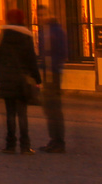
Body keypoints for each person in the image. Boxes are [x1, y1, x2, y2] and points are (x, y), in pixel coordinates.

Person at [0, 8, 41, 155]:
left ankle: (10, 145)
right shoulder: (26, 37)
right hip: (22, 81)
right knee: (22, 114)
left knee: (9, 114)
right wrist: (37, 79)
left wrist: (0, 77)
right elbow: (31, 60)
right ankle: (25, 145)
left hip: (6, 80)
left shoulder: (2, 36)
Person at [38, 9, 68, 153]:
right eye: (39, 15)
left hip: (53, 74)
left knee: (54, 109)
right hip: (47, 73)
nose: (41, 17)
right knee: (49, 109)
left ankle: (59, 141)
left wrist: (52, 67)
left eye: (43, 14)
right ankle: (53, 139)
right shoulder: (45, 31)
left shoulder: (56, 30)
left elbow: (62, 52)